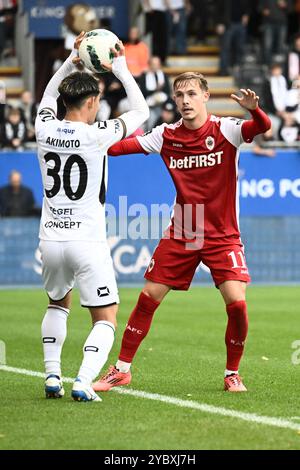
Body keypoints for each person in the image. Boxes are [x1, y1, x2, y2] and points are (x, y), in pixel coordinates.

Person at [92, 73, 271, 393]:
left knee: (238, 304)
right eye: (179, 95)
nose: (185, 100)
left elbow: (261, 128)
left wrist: (254, 111)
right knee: (148, 298)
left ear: (205, 96)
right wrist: (91, 140)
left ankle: (232, 373)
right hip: (184, 229)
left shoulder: (226, 129)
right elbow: (121, 148)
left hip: (222, 234)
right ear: (174, 100)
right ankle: (121, 369)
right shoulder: (166, 135)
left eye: (191, 93)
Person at [35, 32, 149, 402]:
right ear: (93, 100)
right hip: (87, 241)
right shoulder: (97, 134)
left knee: (57, 304)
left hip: (50, 240)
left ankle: (52, 376)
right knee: (107, 318)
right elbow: (141, 112)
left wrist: (71, 60)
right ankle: (83, 381)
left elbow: (47, 97)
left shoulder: (44, 127)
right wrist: (121, 69)